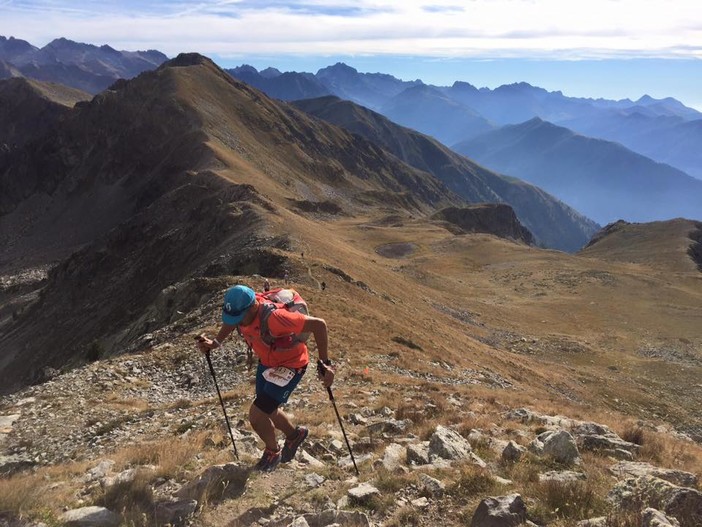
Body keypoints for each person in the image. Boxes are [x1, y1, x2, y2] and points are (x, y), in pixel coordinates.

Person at [196, 285, 334, 471]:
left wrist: (325, 363)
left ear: (252, 307)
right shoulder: (244, 312)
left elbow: (319, 324)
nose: (237, 322)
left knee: (256, 415)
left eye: (239, 317)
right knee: (268, 410)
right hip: (268, 363)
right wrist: (216, 343)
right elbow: (232, 321)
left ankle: (272, 451)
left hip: (291, 365)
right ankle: (295, 435)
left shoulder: (276, 319)